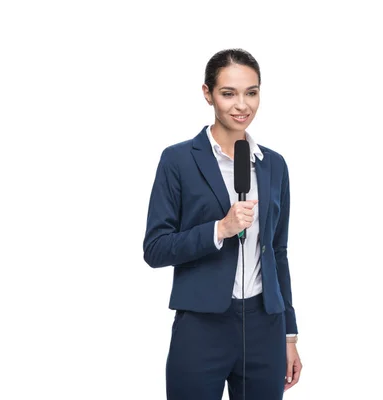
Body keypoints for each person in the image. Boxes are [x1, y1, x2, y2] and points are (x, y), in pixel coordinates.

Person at [143, 48, 302, 400]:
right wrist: (220, 229)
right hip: (202, 325)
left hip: (265, 325)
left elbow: (278, 251)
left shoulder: (274, 164)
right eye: (228, 93)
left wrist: (289, 335)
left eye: (252, 92)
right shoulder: (178, 160)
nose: (241, 105)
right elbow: (155, 248)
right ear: (207, 94)